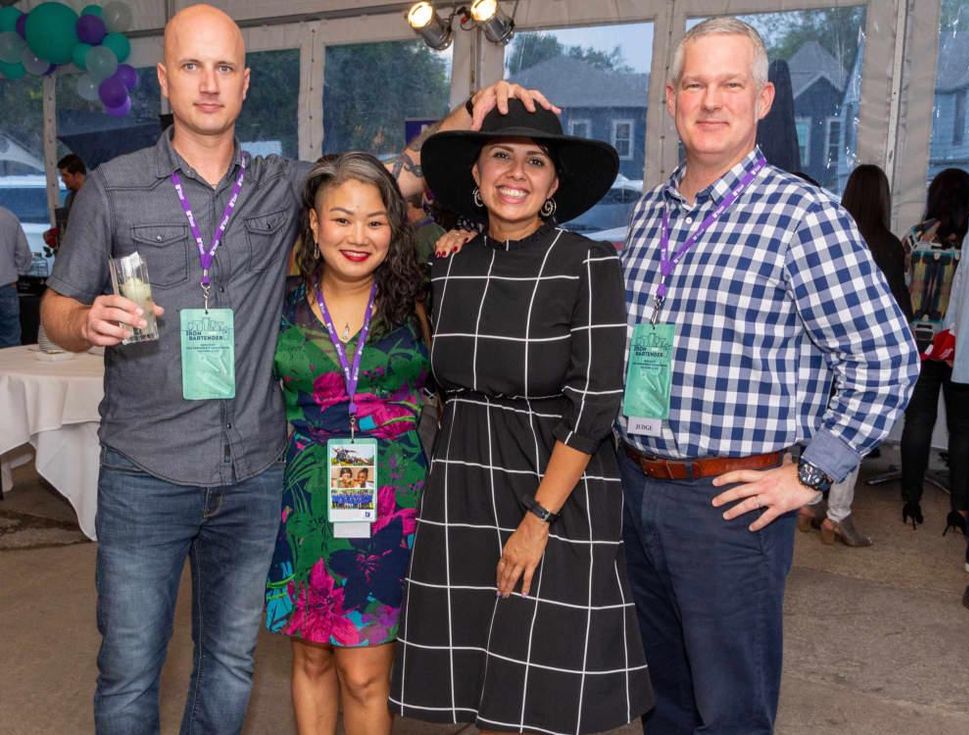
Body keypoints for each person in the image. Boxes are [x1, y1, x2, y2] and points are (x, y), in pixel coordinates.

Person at [39, 3, 553, 731]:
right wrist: (83, 321)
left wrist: (473, 107)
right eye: (192, 66)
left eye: (224, 68)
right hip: (145, 470)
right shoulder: (114, 189)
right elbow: (53, 311)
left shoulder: (282, 187)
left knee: (229, 662)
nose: (209, 84)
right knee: (128, 668)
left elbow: (386, 182)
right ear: (164, 79)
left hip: (255, 477)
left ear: (246, 84)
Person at [617, 17, 918, 734]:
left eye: (732, 84)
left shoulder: (803, 216)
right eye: (696, 84)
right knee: (663, 701)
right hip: (637, 489)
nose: (711, 100)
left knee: (731, 711)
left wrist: (811, 474)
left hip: (731, 505)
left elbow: (887, 358)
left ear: (764, 100)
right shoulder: (648, 211)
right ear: (670, 98)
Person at [392, 98, 654, 735]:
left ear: (554, 182)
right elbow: (367, 199)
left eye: (535, 160)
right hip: (463, 485)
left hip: (554, 484)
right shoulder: (447, 264)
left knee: (541, 692)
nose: (516, 172)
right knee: (481, 687)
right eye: (500, 156)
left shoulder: (588, 262)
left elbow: (596, 401)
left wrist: (537, 520)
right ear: (476, 178)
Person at [263, 153, 428, 734]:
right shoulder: (277, 304)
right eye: (342, 219)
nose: (358, 237)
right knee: (309, 656)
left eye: (375, 221)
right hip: (304, 499)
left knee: (363, 672)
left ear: (394, 228)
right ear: (313, 223)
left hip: (393, 505)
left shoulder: (419, 299)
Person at [798, 164, 913, 547]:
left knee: (819, 427)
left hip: (815, 355)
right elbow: (898, 310)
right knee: (849, 434)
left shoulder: (831, 238)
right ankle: (837, 515)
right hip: (854, 354)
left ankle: (810, 500)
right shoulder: (887, 245)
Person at [899, 167, 969, 532]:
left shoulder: (915, 238)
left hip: (920, 343)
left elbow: (899, 288)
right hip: (960, 345)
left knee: (919, 419)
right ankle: (959, 507)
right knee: (963, 426)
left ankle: (911, 498)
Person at [942, 179, 969, 618]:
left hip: (966, 352)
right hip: (966, 350)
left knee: (967, 435)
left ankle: (968, 525)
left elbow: (960, 289)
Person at [0, 205, 32, 348]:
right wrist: (18, 274)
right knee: (10, 340)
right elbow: (24, 254)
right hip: (7, 286)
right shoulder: (9, 216)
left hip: (8, 284)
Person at [58, 153, 87, 219]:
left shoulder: (95, 197)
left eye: (66, 176)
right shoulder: (69, 198)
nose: (62, 179)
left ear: (77, 175)